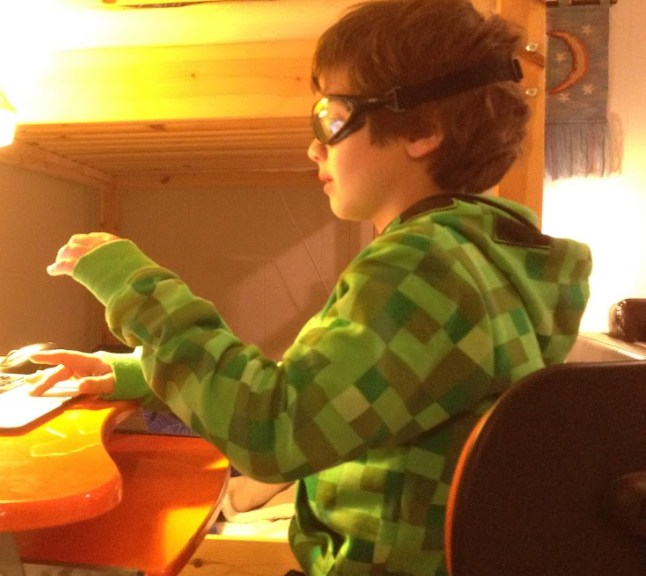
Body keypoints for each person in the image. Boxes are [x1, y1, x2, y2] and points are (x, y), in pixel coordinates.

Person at [30, 0, 593, 574]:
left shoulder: (424, 265)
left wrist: (132, 286)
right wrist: (138, 373)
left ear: (424, 128)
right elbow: (335, 393)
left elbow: (272, 430)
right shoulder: (490, 259)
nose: (313, 147)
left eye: (332, 116)